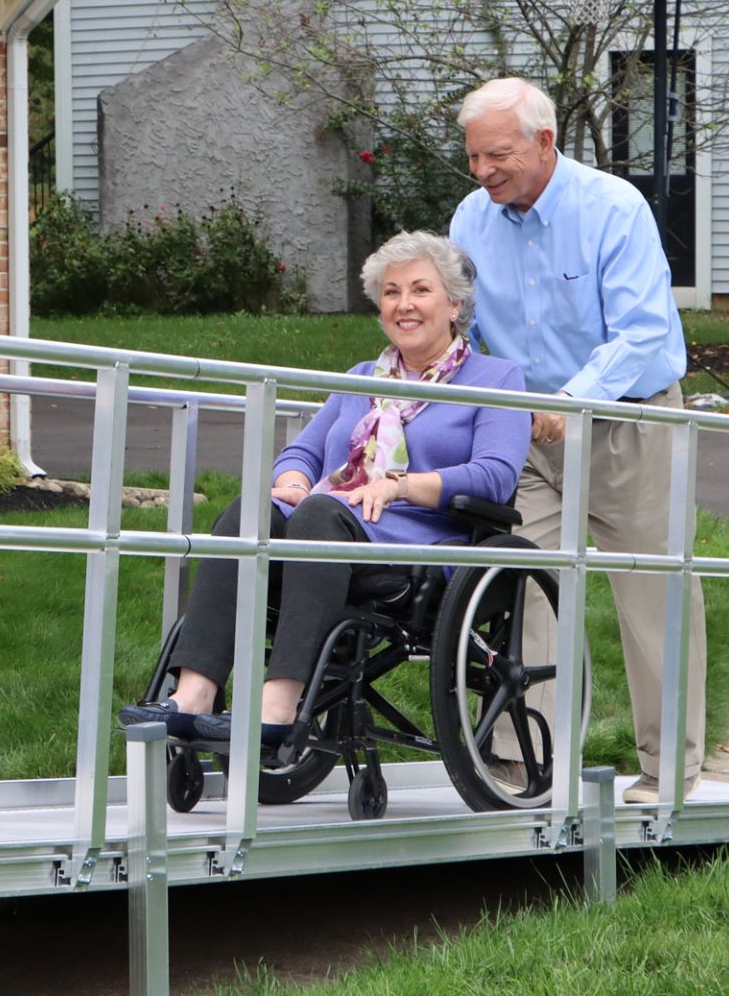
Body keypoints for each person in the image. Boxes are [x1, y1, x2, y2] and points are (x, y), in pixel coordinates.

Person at [120, 230, 530, 745]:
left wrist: (402, 485)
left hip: (420, 544)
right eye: (391, 292)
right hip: (336, 527)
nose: (404, 304)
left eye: (420, 291)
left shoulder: (495, 379)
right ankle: (194, 692)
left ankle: (280, 705)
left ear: (454, 304)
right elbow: (302, 453)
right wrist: (290, 479)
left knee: (317, 516)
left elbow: (495, 474)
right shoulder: (363, 377)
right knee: (253, 512)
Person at [449, 76, 703, 804]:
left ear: (545, 142)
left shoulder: (611, 208)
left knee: (651, 595)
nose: (483, 171)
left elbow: (643, 331)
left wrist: (575, 398)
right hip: (528, 429)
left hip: (629, 420)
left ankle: (668, 773)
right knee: (524, 586)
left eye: (497, 155)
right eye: (473, 157)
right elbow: (460, 324)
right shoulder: (471, 218)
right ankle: (527, 756)